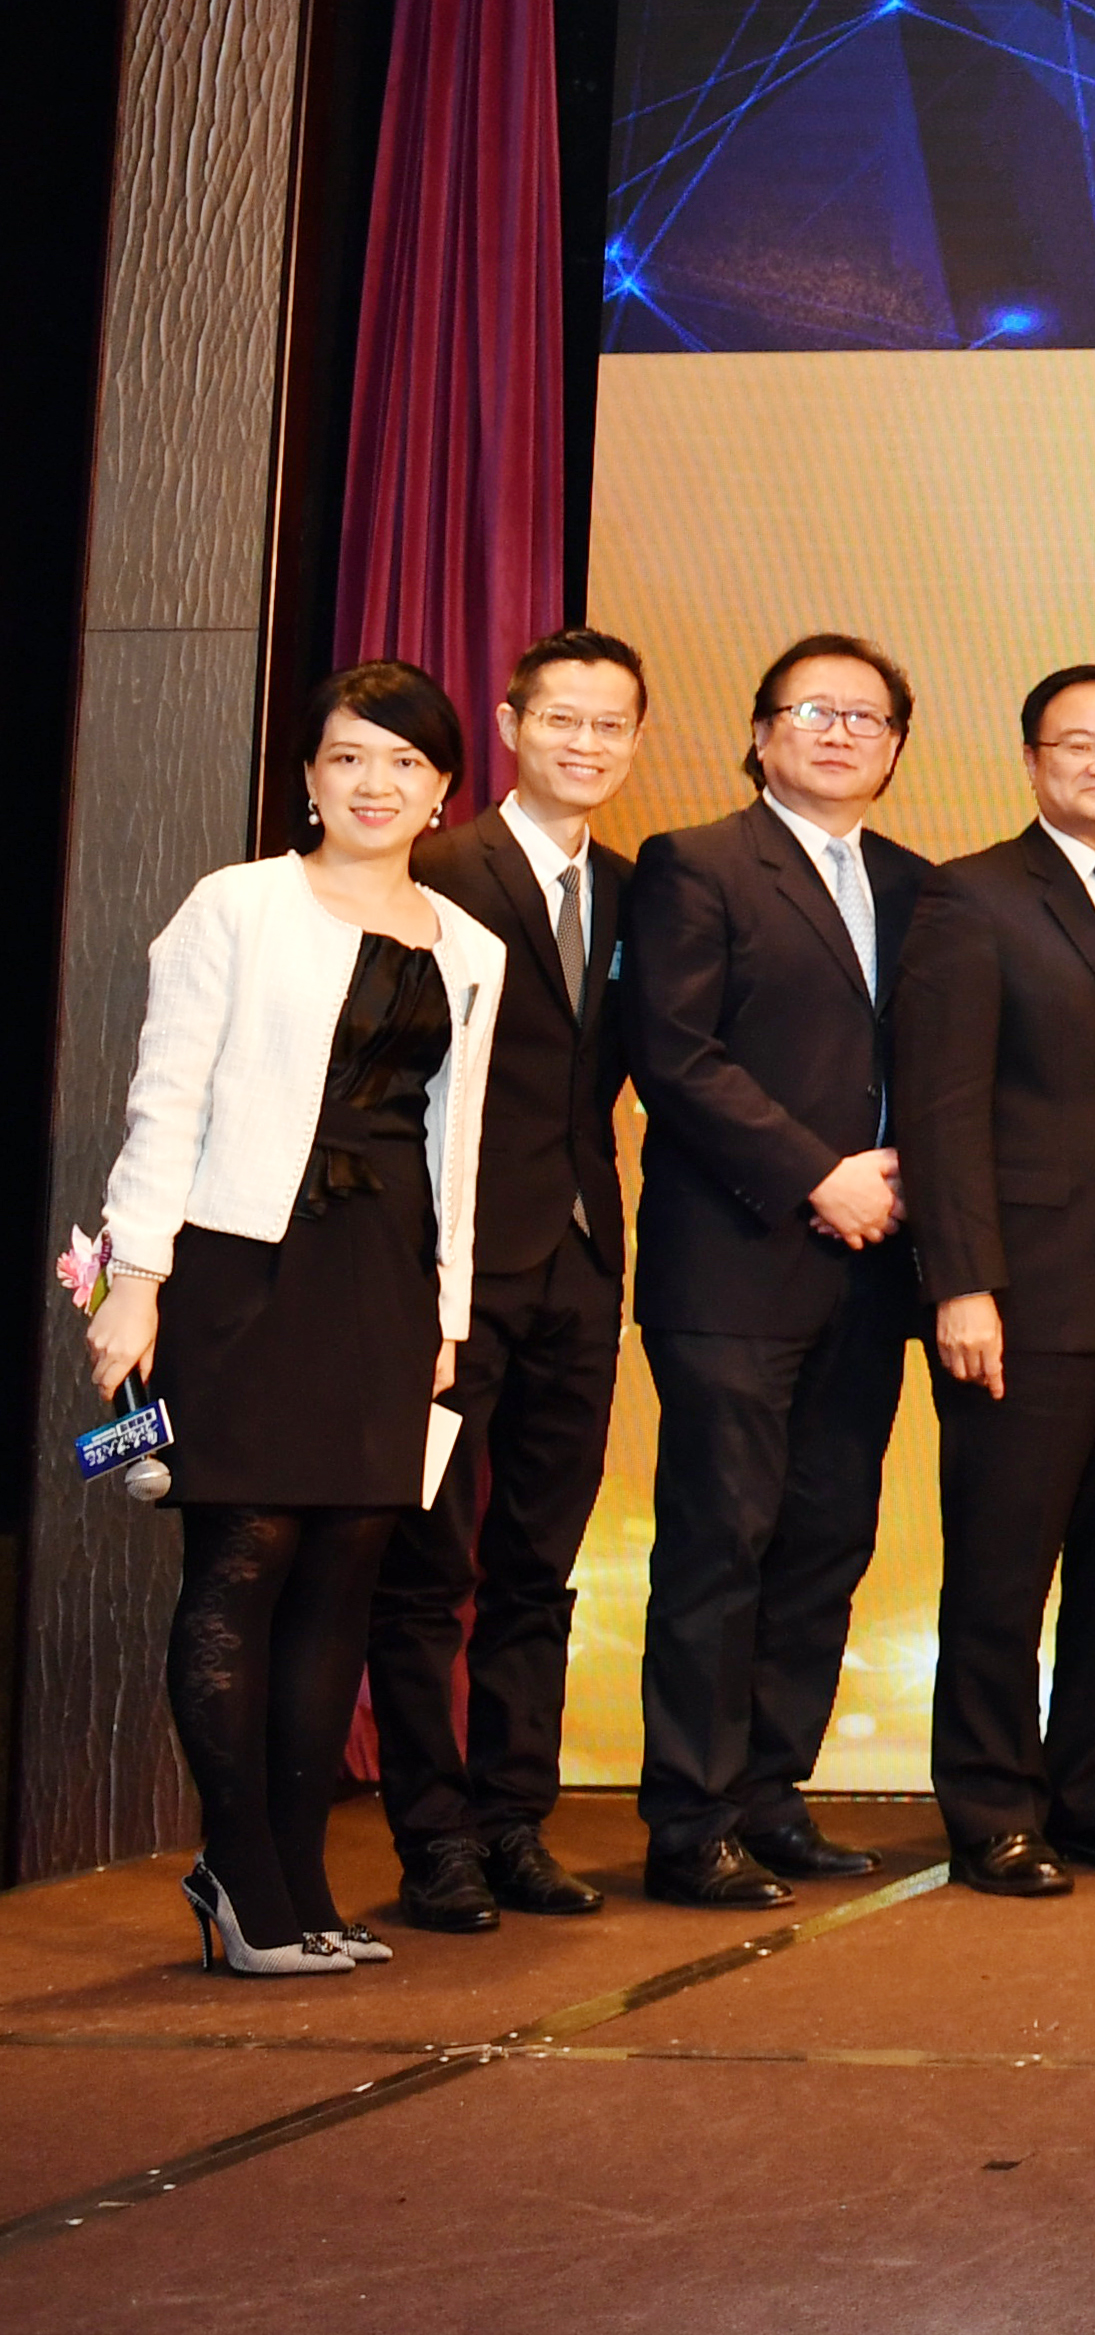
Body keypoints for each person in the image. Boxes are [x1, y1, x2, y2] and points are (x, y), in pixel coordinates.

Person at [89, 663, 506, 1974]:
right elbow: (169, 1096)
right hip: (243, 1266)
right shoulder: (239, 906)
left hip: (384, 1278)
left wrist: (446, 1314)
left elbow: (463, 1143)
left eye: (404, 765)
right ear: (309, 778)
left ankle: (303, 1887)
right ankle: (241, 1883)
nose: (375, 785)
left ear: (443, 788)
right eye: (348, 759)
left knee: (343, 1578)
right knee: (244, 1564)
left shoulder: (471, 945)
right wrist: (135, 1277)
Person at [622, 634, 929, 1910]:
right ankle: (690, 1821)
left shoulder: (920, 886)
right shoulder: (695, 866)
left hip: (870, 1273)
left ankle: (770, 1791)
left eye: (866, 718)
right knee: (718, 1542)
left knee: (825, 1540)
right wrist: (819, 1174)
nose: (840, 733)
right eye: (813, 712)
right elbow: (675, 1055)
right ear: (759, 734)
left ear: (897, 748)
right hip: (735, 1267)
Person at [896, 663, 1095, 1899]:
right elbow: (942, 1108)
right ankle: (990, 1806)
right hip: (1018, 1298)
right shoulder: (970, 900)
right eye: (1078, 744)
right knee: (1003, 1568)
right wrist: (962, 1284)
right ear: (1032, 761)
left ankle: (1094, 1797)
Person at [367, 628, 640, 1932]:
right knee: (425, 1564)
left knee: (539, 1561)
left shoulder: (636, 892)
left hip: (582, 1268)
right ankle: (433, 1843)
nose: (586, 745)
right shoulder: (435, 869)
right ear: (512, 723)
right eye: (563, 721)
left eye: (610, 726)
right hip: (448, 1265)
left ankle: (512, 1822)